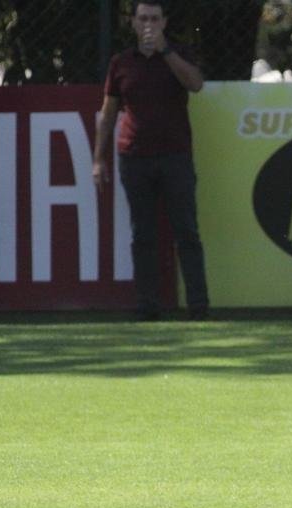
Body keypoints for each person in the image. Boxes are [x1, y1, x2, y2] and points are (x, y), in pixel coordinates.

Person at [93, 1, 209, 321]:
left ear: (164, 23)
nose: (148, 24)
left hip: (175, 156)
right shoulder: (121, 63)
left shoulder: (178, 54)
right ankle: (148, 305)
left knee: (186, 231)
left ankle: (198, 305)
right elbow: (108, 112)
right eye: (143, 18)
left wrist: (165, 51)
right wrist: (98, 159)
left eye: (154, 19)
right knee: (142, 234)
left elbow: (196, 84)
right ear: (132, 23)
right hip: (134, 157)